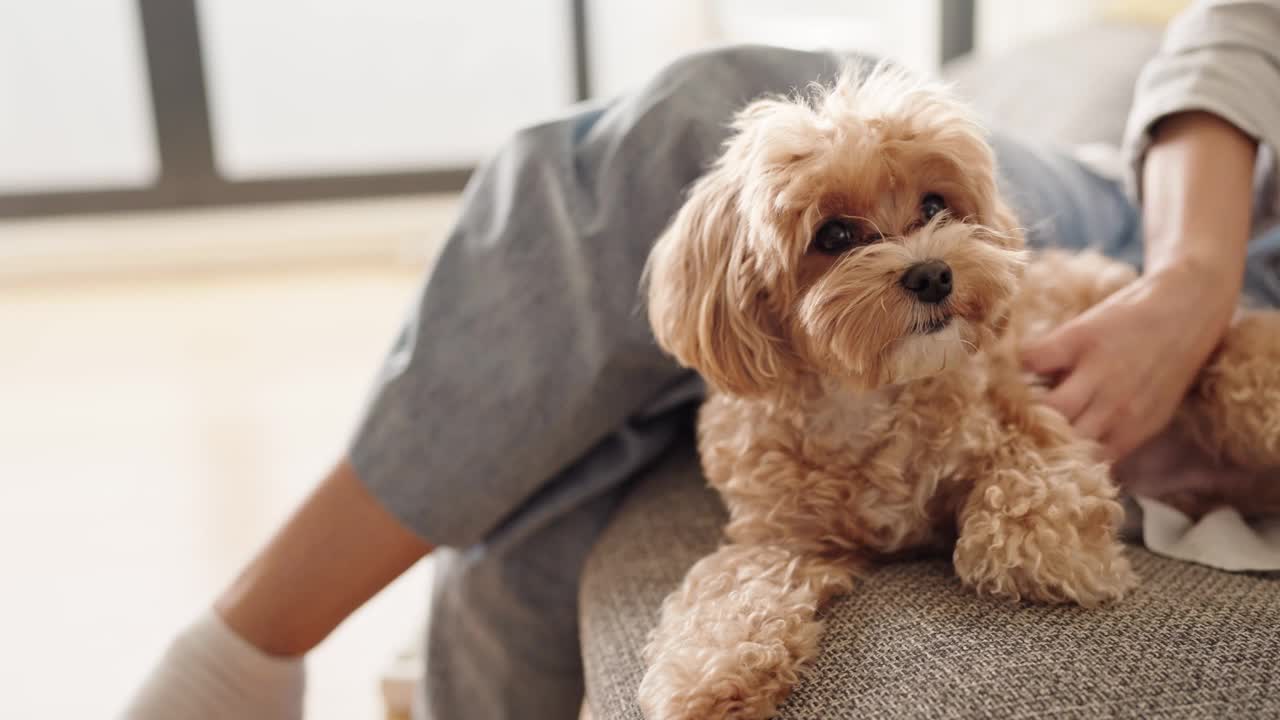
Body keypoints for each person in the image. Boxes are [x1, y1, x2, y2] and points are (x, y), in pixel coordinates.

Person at [122, 1, 1280, 718]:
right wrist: (1189, 276)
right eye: (843, 235)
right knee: (709, 116)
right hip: (1177, 200)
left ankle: (251, 661)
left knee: (578, 422)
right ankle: (259, 644)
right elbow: (1231, 32)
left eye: (925, 210)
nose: (908, 251)